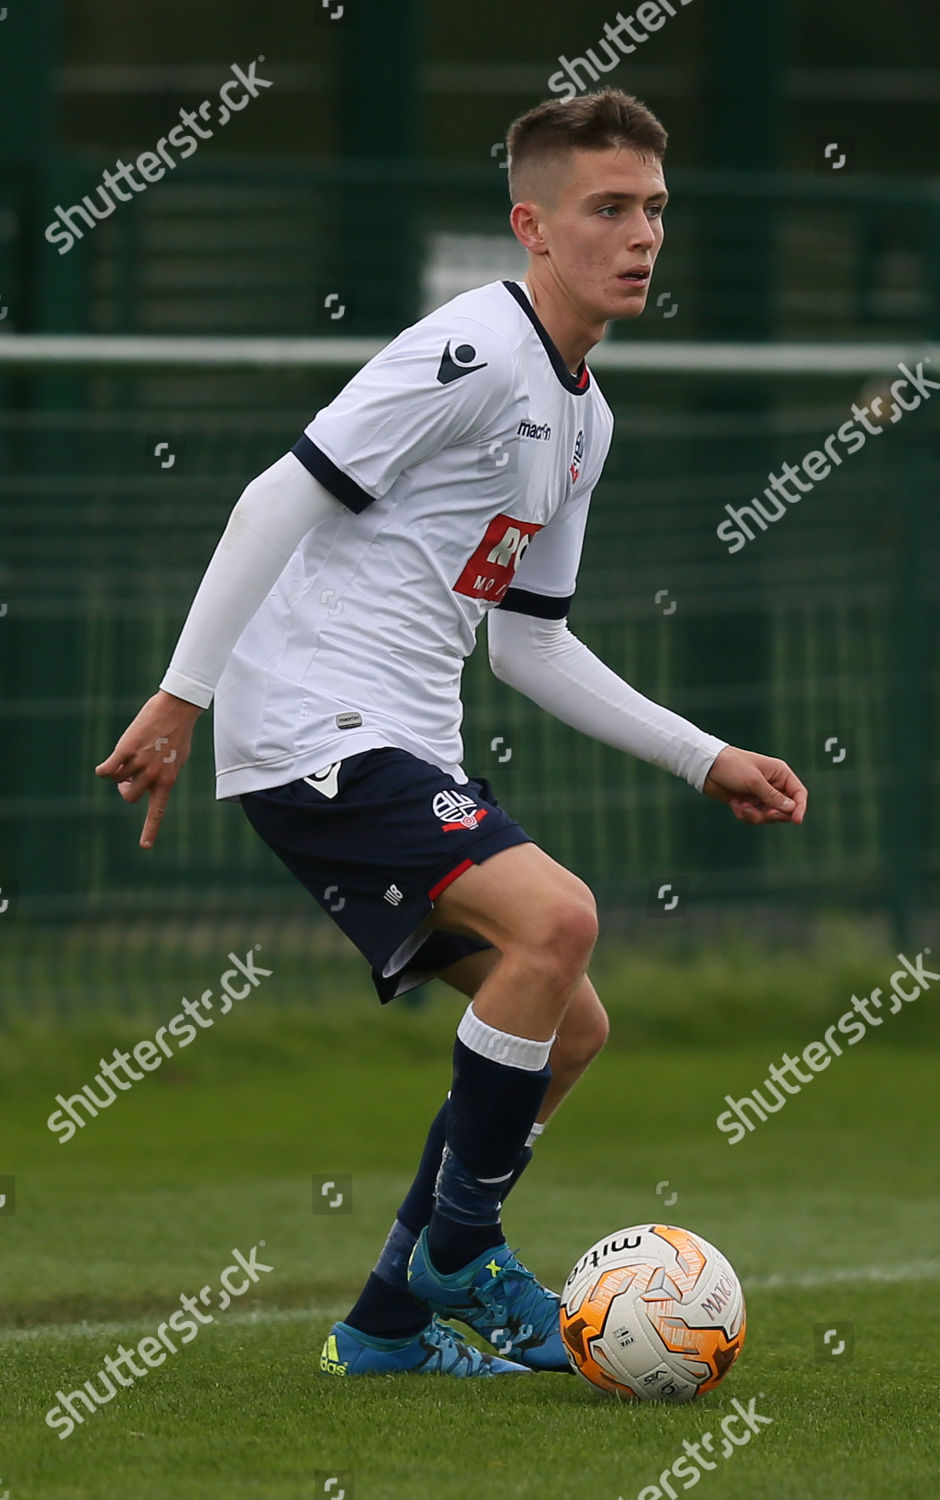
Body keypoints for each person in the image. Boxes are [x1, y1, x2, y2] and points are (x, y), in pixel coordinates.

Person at [96, 88, 807, 1379]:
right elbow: (275, 496)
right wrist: (179, 694)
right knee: (561, 918)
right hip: (321, 727)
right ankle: (462, 1254)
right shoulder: (472, 350)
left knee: (572, 1024)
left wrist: (706, 757)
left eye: (654, 208)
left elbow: (528, 641)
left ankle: (384, 1325)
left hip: (402, 739)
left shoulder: (583, 414)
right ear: (531, 225)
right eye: (608, 209)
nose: (641, 233)